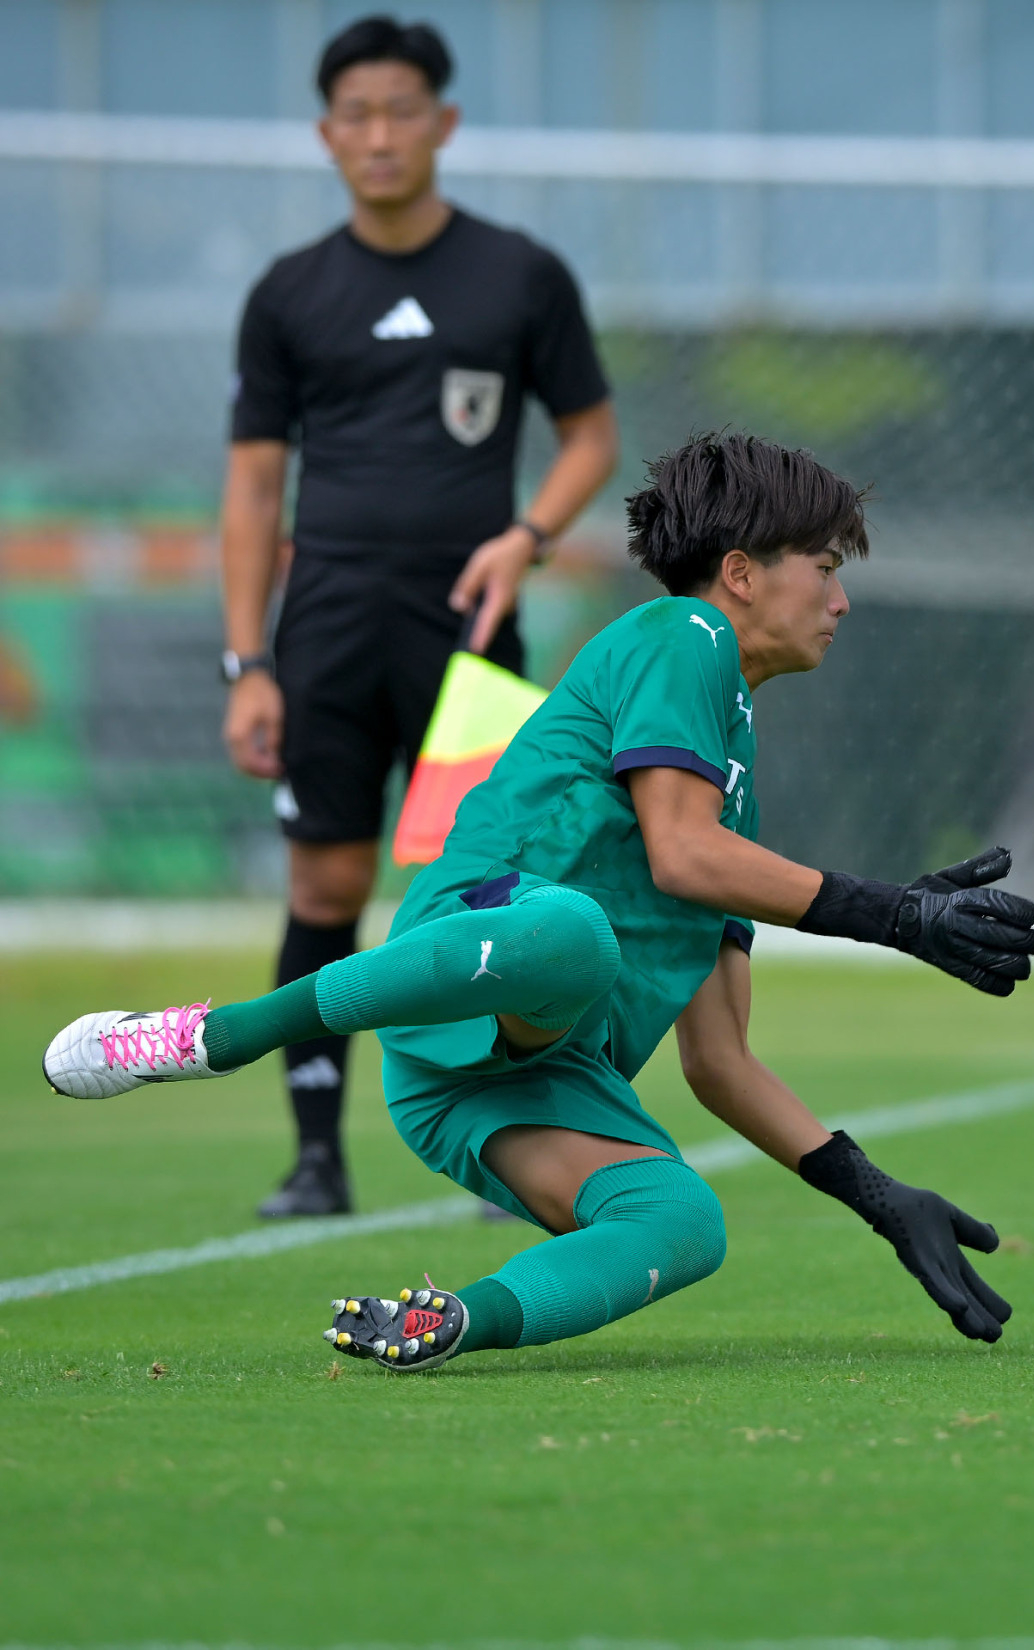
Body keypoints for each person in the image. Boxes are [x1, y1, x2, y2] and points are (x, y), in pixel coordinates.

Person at [46, 433, 1034, 1366]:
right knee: (574, 933)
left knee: (685, 1222)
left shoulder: (730, 773)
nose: (841, 600)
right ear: (742, 572)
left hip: (499, 1090)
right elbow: (686, 859)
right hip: (471, 971)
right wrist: (897, 917)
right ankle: (217, 1037)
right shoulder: (681, 634)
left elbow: (721, 1062)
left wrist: (877, 1195)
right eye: (825, 568)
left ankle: (450, 1320)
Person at [220, 15, 620, 1217]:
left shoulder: (520, 274)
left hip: (468, 631)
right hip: (327, 630)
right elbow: (249, 486)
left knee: (485, 890)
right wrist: (248, 660)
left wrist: (528, 535)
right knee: (326, 888)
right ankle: (315, 1156)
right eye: (359, 115)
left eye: (404, 111)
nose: (381, 135)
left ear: (443, 124)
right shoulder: (290, 293)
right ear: (326, 133)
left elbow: (590, 436)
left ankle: (508, 1152)